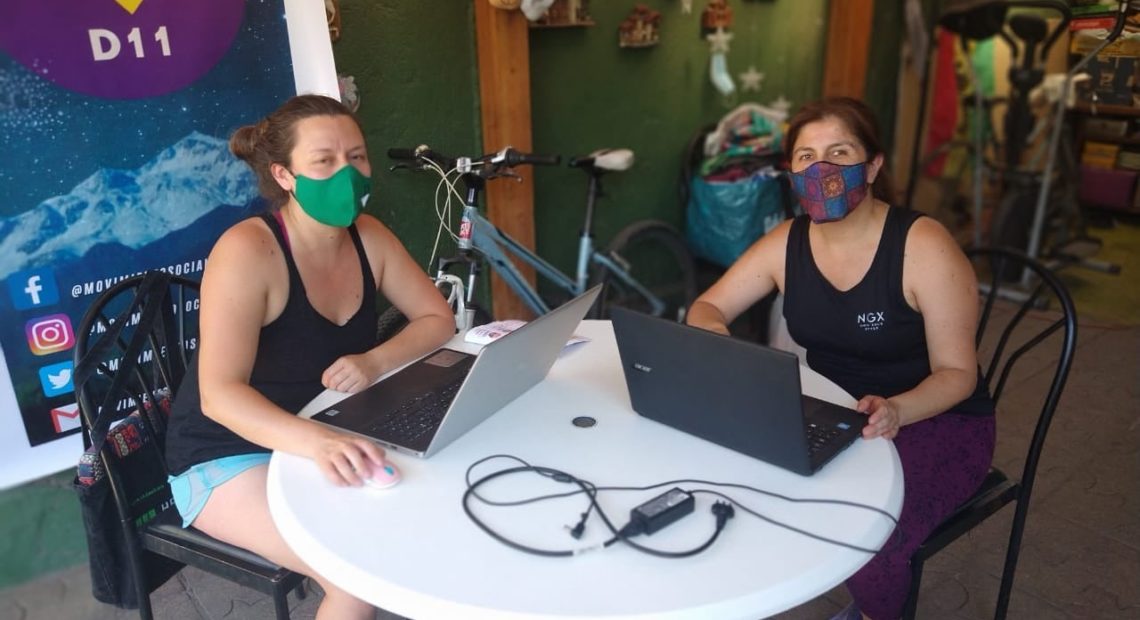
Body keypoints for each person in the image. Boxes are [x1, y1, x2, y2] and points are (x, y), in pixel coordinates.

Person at [686, 97, 995, 620]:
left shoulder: (922, 246)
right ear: (791, 172)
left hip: (935, 421)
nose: (821, 169)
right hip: (833, 416)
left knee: (869, 536)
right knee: (726, 484)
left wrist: (897, 409)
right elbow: (707, 305)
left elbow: (958, 374)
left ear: (872, 166)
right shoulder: (787, 243)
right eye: (806, 156)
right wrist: (719, 338)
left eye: (839, 152)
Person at [164, 94, 454, 618]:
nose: (348, 174)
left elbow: (437, 319)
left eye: (357, 157)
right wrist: (319, 442)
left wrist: (375, 362)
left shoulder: (369, 237)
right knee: (354, 578)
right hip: (227, 454)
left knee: (426, 510)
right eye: (324, 161)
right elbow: (219, 396)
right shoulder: (248, 251)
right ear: (284, 175)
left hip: (327, 427)